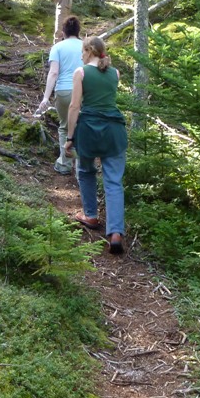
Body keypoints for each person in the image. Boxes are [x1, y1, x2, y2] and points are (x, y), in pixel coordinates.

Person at [64, 36, 127, 255]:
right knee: (113, 181)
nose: (81, 55)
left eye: (82, 51)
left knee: (85, 170)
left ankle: (90, 215)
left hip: (89, 130)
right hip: (113, 132)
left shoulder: (80, 73)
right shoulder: (115, 73)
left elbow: (74, 106)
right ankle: (116, 233)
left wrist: (70, 136)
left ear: (88, 50)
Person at [36, 16, 84, 175]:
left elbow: (54, 72)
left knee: (64, 126)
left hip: (63, 91)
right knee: (82, 126)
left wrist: (45, 97)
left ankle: (64, 164)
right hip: (84, 91)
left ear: (63, 32)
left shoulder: (58, 47)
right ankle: (82, 166)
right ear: (78, 31)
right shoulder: (85, 46)